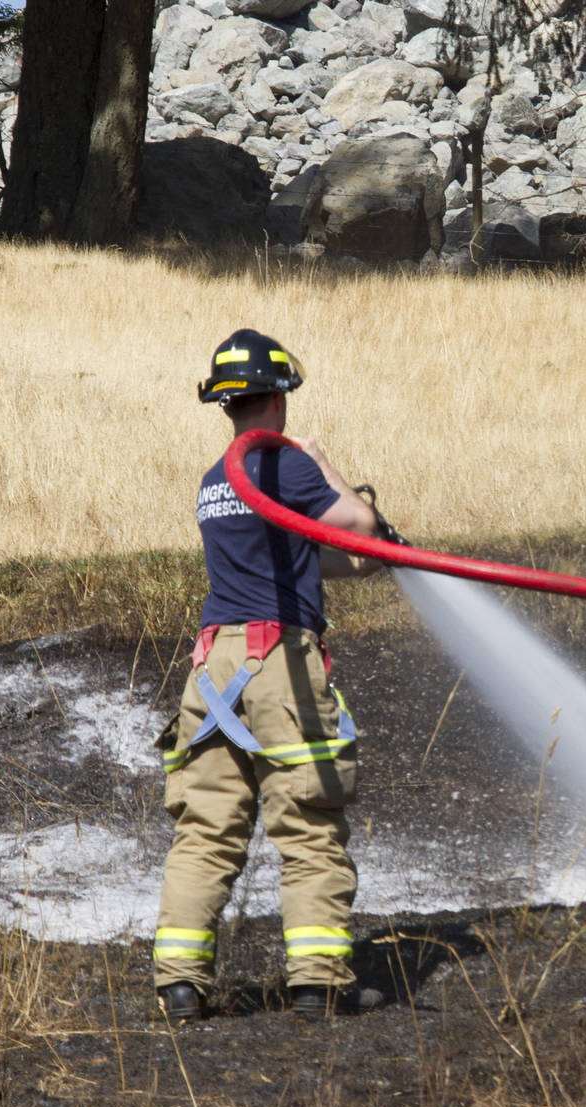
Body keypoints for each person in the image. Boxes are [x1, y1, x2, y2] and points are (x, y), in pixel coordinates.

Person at [152, 330, 385, 1023]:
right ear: (279, 398)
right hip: (280, 665)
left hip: (213, 669)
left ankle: (180, 984)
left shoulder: (217, 479)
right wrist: (329, 467)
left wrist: (375, 557)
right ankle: (316, 983)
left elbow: (322, 558)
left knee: (207, 825)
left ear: (225, 403)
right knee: (308, 821)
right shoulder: (283, 465)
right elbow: (359, 524)